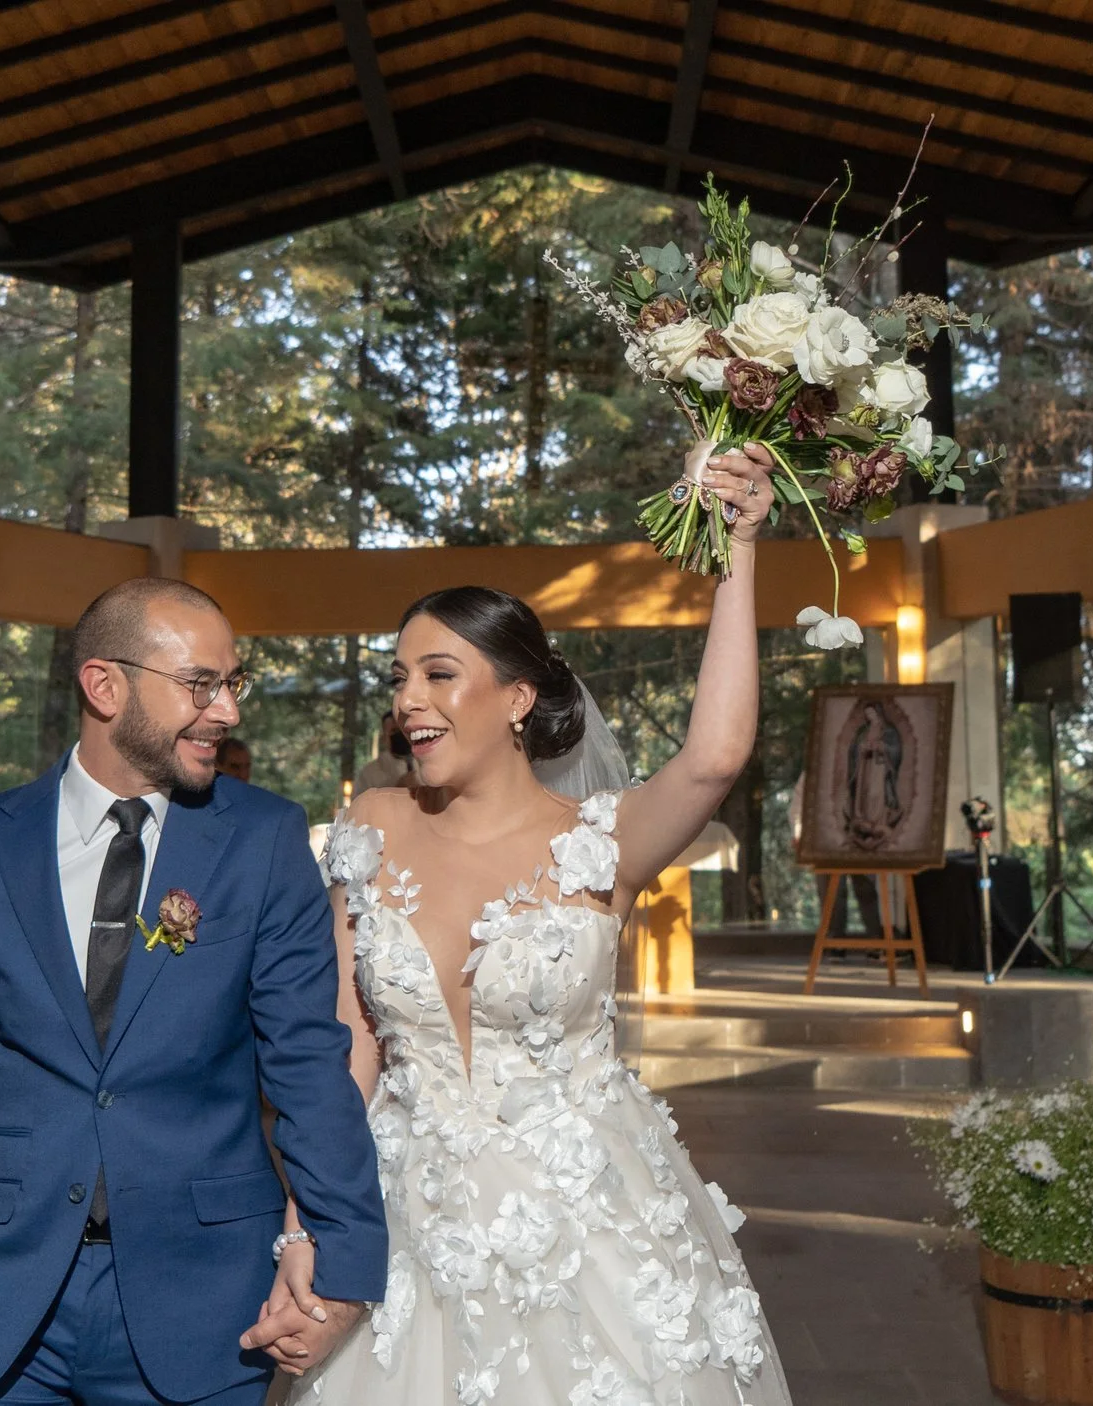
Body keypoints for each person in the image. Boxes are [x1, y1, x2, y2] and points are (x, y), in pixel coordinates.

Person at [0, 578, 389, 1406]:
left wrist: (345, 1266)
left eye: (232, 683)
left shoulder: (263, 838)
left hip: (202, 1302)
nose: (227, 712)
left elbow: (309, 1065)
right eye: (199, 685)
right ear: (104, 685)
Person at [274, 445, 788, 1405]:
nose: (407, 702)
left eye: (437, 674)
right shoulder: (370, 828)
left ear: (517, 699)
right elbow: (346, 1047)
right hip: (403, 1209)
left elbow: (715, 756)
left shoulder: (604, 844)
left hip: (589, 1219)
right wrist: (307, 1224)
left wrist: (742, 549)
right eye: (398, 680)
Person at [351, 712, 413, 796]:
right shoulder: (369, 773)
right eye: (394, 730)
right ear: (384, 738)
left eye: (404, 730)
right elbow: (359, 806)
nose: (401, 735)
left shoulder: (426, 764)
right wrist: (397, 788)